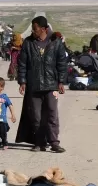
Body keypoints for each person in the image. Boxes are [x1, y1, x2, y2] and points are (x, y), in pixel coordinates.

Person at [15, 16, 67, 153]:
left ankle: (54, 142)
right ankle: (39, 142)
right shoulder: (28, 42)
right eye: (32, 29)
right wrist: (22, 81)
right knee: (36, 116)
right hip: (34, 85)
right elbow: (22, 63)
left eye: (35, 29)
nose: (33, 31)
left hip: (51, 85)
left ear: (44, 29)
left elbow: (62, 63)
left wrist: (61, 81)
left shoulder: (56, 42)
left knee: (51, 114)